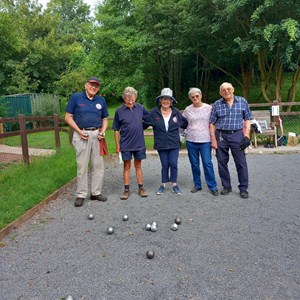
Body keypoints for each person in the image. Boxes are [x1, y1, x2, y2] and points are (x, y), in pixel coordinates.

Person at [65, 77, 109, 207]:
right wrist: (79, 131)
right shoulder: (76, 98)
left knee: (98, 165)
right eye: (91, 85)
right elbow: (68, 117)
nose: (93, 87)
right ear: (86, 85)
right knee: (82, 166)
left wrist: (103, 131)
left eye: (96, 86)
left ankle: (95, 192)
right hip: (81, 134)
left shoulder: (101, 100)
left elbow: (105, 119)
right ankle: (81, 194)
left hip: (97, 135)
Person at [209, 82, 252, 199]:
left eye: (228, 89)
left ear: (233, 89)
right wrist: (213, 139)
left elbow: (248, 118)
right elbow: (212, 123)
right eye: (223, 90)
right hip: (221, 135)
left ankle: (243, 188)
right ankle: (226, 186)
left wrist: (246, 135)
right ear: (220, 93)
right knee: (221, 162)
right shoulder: (217, 104)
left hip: (237, 134)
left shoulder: (242, 101)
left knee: (241, 162)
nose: (226, 91)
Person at [144, 88, 188, 195]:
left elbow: (185, 124)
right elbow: (144, 123)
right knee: (165, 164)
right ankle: (163, 184)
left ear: (171, 101)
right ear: (160, 100)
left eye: (168, 99)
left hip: (174, 143)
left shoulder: (176, 112)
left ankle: (174, 185)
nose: (166, 101)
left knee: (173, 163)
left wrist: (184, 133)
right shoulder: (154, 112)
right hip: (161, 143)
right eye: (164, 99)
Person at [112, 87, 149, 200]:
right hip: (126, 144)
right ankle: (126, 190)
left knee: (138, 165)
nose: (131, 102)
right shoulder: (119, 111)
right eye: (128, 99)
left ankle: (141, 188)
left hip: (139, 143)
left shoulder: (140, 108)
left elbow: (149, 119)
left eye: (132, 99)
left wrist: (142, 127)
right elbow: (116, 129)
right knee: (126, 166)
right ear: (124, 99)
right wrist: (118, 145)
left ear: (135, 98)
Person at [182, 88, 218, 196]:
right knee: (194, 164)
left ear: (201, 96)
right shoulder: (188, 110)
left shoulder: (209, 108)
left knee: (207, 163)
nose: (195, 98)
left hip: (205, 140)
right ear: (190, 98)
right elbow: (181, 122)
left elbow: (214, 122)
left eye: (197, 96)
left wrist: (214, 138)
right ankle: (197, 184)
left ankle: (212, 186)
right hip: (191, 140)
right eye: (192, 97)